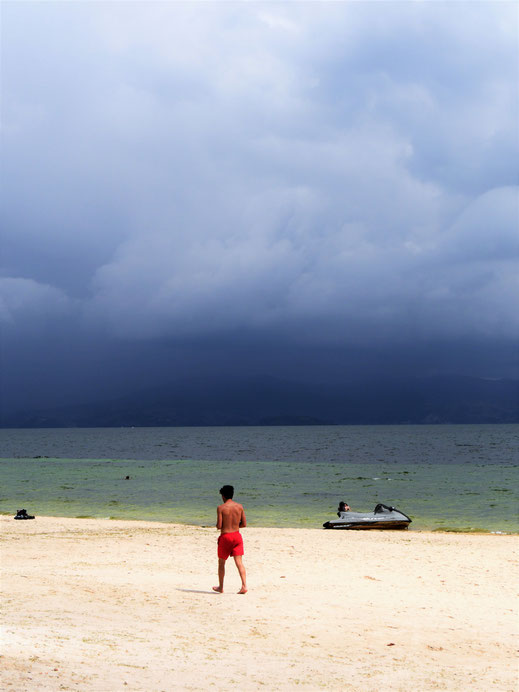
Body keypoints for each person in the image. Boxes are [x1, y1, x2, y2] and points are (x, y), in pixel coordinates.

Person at [212, 485, 247, 594]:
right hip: (237, 536)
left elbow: (219, 525)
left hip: (226, 537)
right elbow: (244, 524)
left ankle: (221, 587)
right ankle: (244, 586)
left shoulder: (221, 508)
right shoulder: (240, 507)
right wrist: (235, 526)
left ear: (223, 496)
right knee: (239, 562)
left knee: (221, 563)